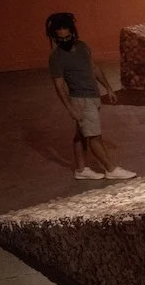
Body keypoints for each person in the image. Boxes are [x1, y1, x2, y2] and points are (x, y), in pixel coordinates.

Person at [45, 12, 136, 180]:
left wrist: (108, 88)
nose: (64, 42)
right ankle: (111, 169)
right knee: (94, 135)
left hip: (93, 96)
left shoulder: (82, 47)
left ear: (73, 33)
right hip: (81, 100)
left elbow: (93, 68)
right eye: (60, 39)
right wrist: (71, 108)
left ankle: (81, 170)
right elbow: (59, 86)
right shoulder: (56, 58)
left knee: (81, 134)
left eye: (67, 37)